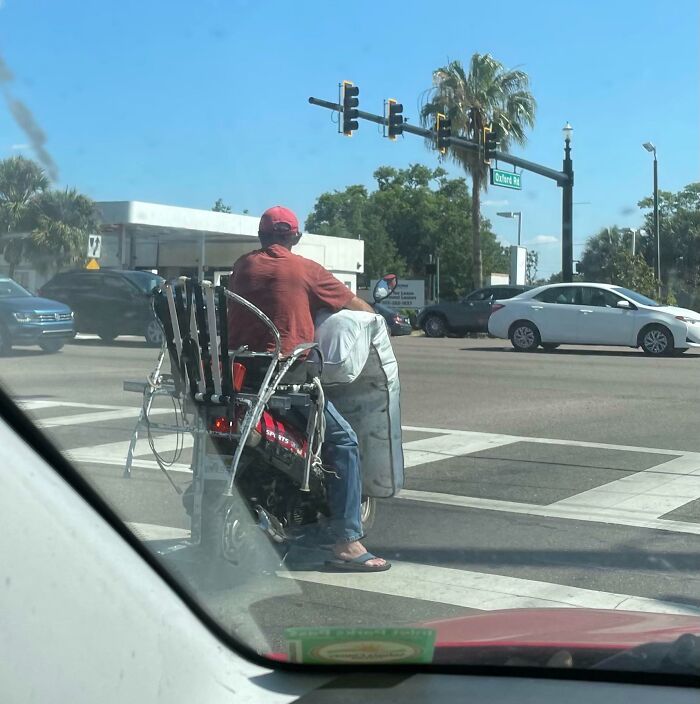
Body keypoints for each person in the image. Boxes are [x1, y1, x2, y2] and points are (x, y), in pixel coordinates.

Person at [227, 205, 390, 572]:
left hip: (239, 380)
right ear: (295, 238)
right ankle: (348, 541)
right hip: (286, 380)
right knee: (345, 441)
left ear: (260, 236)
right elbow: (356, 306)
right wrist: (379, 322)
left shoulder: (243, 267)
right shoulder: (305, 270)